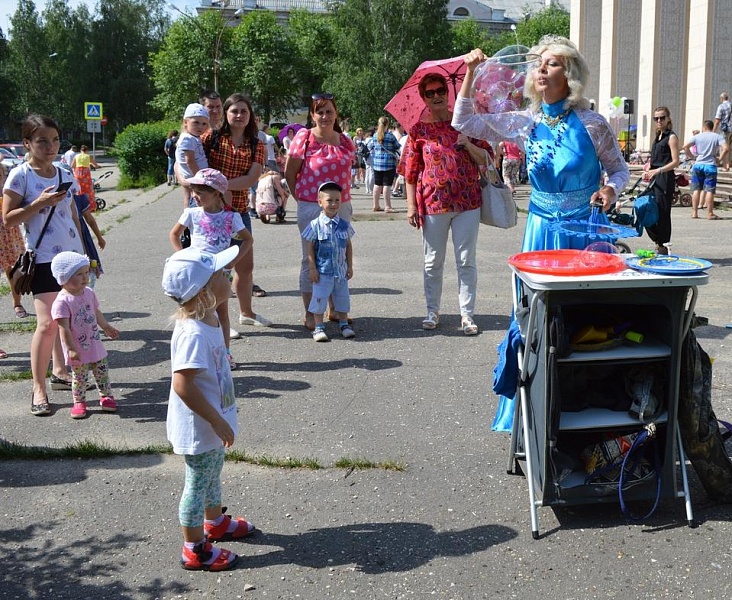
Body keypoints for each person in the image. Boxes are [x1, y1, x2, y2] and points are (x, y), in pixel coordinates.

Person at [452, 39, 630, 253]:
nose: (542, 68)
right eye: (537, 65)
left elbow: (619, 170)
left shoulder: (593, 124)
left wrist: (610, 190)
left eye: (552, 63)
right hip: (541, 227)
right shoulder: (525, 123)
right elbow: (463, 122)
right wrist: (472, 72)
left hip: (586, 228)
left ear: (570, 75)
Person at [162, 245, 256, 572]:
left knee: (213, 471)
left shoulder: (209, 316)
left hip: (214, 420)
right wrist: (216, 420)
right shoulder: (192, 333)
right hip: (200, 424)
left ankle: (214, 522)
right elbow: (182, 385)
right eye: (219, 274)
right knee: (197, 483)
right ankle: (194, 548)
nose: (227, 275)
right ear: (202, 292)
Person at [3, 114, 86, 416]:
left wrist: (87, 253)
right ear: (27, 143)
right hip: (43, 260)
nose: (50, 146)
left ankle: (60, 372)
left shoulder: (65, 170)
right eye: (42, 141)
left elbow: (73, 215)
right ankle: (38, 388)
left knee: (69, 320)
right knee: (47, 324)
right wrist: (38, 204)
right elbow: (8, 218)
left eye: (54, 140)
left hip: (72, 258)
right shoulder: (20, 175)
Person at [401, 73, 491, 336]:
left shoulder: (465, 123)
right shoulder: (418, 131)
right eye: (429, 93)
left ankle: (467, 314)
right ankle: (432, 311)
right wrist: (410, 206)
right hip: (432, 205)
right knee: (432, 261)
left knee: (466, 261)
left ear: (448, 92)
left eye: (440, 90)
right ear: (423, 98)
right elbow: (410, 172)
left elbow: (486, 159)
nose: (436, 96)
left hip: (467, 203)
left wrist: (467, 145)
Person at [284, 93, 356, 331]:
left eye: (329, 111)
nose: (324, 116)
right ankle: (310, 312)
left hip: (341, 205)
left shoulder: (345, 140)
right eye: (320, 111)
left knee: (338, 254)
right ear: (312, 115)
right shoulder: (304, 138)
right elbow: (290, 173)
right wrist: (302, 200)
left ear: (335, 114)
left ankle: (335, 309)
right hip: (311, 206)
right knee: (311, 258)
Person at [169, 168, 252, 371]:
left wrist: (233, 261)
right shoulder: (191, 214)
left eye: (200, 193)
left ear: (217, 193)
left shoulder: (231, 217)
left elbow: (248, 240)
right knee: (194, 312)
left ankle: (224, 353)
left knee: (221, 313)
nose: (195, 197)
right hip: (196, 273)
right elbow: (174, 235)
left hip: (219, 272)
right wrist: (183, 257)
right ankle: (198, 352)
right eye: (194, 192)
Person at [202, 93, 271, 329]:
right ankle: (216, 318)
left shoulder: (256, 143)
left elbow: (252, 177)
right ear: (226, 114)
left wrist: (221, 184)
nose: (239, 115)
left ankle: (247, 313)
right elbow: (197, 170)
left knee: (245, 266)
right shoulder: (211, 138)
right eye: (234, 111)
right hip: (212, 214)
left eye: (244, 111)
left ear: (250, 115)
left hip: (239, 212)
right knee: (214, 269)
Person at [50, 251, 120, 419]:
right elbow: (64, 329)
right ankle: (79, 401)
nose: (84, 278)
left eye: (86, 272)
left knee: (102, 372)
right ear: (63, 277)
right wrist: (71, 349)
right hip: (77, 349)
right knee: (80, 378)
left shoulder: (88, 292)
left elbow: (95, 311)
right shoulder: (62, 302)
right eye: (78, 274)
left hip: (95, 343)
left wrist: (106, 326)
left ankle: (106, 396)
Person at [301, 181, 355, 342]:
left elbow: (348, 245)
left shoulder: (344, 225)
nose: (333, 204)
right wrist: (312, 268)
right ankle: (318, 328)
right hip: (322, 271)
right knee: (319, 298)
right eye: (329, 200)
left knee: (342, 298)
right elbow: (309, 247)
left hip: (340, 271)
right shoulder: (315, 225)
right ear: (320, 202)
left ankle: (344, 324)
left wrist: (350, 265)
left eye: (337, 200)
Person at [645, 106, 680, 254]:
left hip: (665, 177)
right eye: (656, 118)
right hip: (654, 177)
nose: (659, 120)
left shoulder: (671, 137)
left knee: (663, 213)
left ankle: (663, 245)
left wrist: (658, 170)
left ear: (668, 119)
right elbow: (655, 160)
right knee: (646, 208)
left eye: (662, 117)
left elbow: (675, 161)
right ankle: (658, 241)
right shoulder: (657, 136)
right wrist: (648, 169)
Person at [682, 120, 729, 220]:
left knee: (696, 189)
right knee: (709, 190)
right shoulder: (717, 136)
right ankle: (710, 213)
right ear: (712, 127)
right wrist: (720, 159)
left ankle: (694, 212)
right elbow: (726, 148)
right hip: (710, 165)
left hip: (698, 165)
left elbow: (685, 147)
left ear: (704, 127)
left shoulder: (697, 136)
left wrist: (692, 157)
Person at [0, 165, 28, 319]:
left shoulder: (9, 191)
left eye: (0, 175)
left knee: (13, 270)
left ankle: (17, 303)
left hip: (8, 235)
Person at [176, 103, 210, 209]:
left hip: (195, 177)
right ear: (186, 122)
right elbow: (190, 160)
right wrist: (199, 178)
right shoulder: (188, 138)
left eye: (204, 124)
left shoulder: (194, 137)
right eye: (196, 122)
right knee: (196, 204)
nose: (200, 127)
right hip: (195, 178)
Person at [369, 116, 401, 213]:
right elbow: (397, 146)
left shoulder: (375, 136)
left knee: (377, 184)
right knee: (387, 185)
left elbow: (371, 147)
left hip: (377, 163)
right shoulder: (390, 136)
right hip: (389, 163)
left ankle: (376, 205)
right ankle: (387, 206)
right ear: (387, 124)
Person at [73, 193, 106, 288]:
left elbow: (90, 220)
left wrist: (100, 238)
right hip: (65, 240)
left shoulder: (78, 199)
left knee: (87, 267)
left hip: (83, 238)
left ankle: (87, 294)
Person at [71, 145, 100, 211]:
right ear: (87, 151)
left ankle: (79, 206)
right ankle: (90, 207)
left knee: (79, 189)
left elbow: (72, 166)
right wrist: (96, 166)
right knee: (88, 190)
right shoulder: (88, 156)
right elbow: (95, 165)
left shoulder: (76, 156)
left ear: (80, 150)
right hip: (85, 175)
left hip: (78, 174)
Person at [713, 92, 731, 171]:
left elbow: (717, 120)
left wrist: (713, 131)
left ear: (721, 99)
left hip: (726, 129)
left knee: (723, 147)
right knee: (730, 147)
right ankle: (729, 163)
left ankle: (725, 166)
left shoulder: (721, 106)